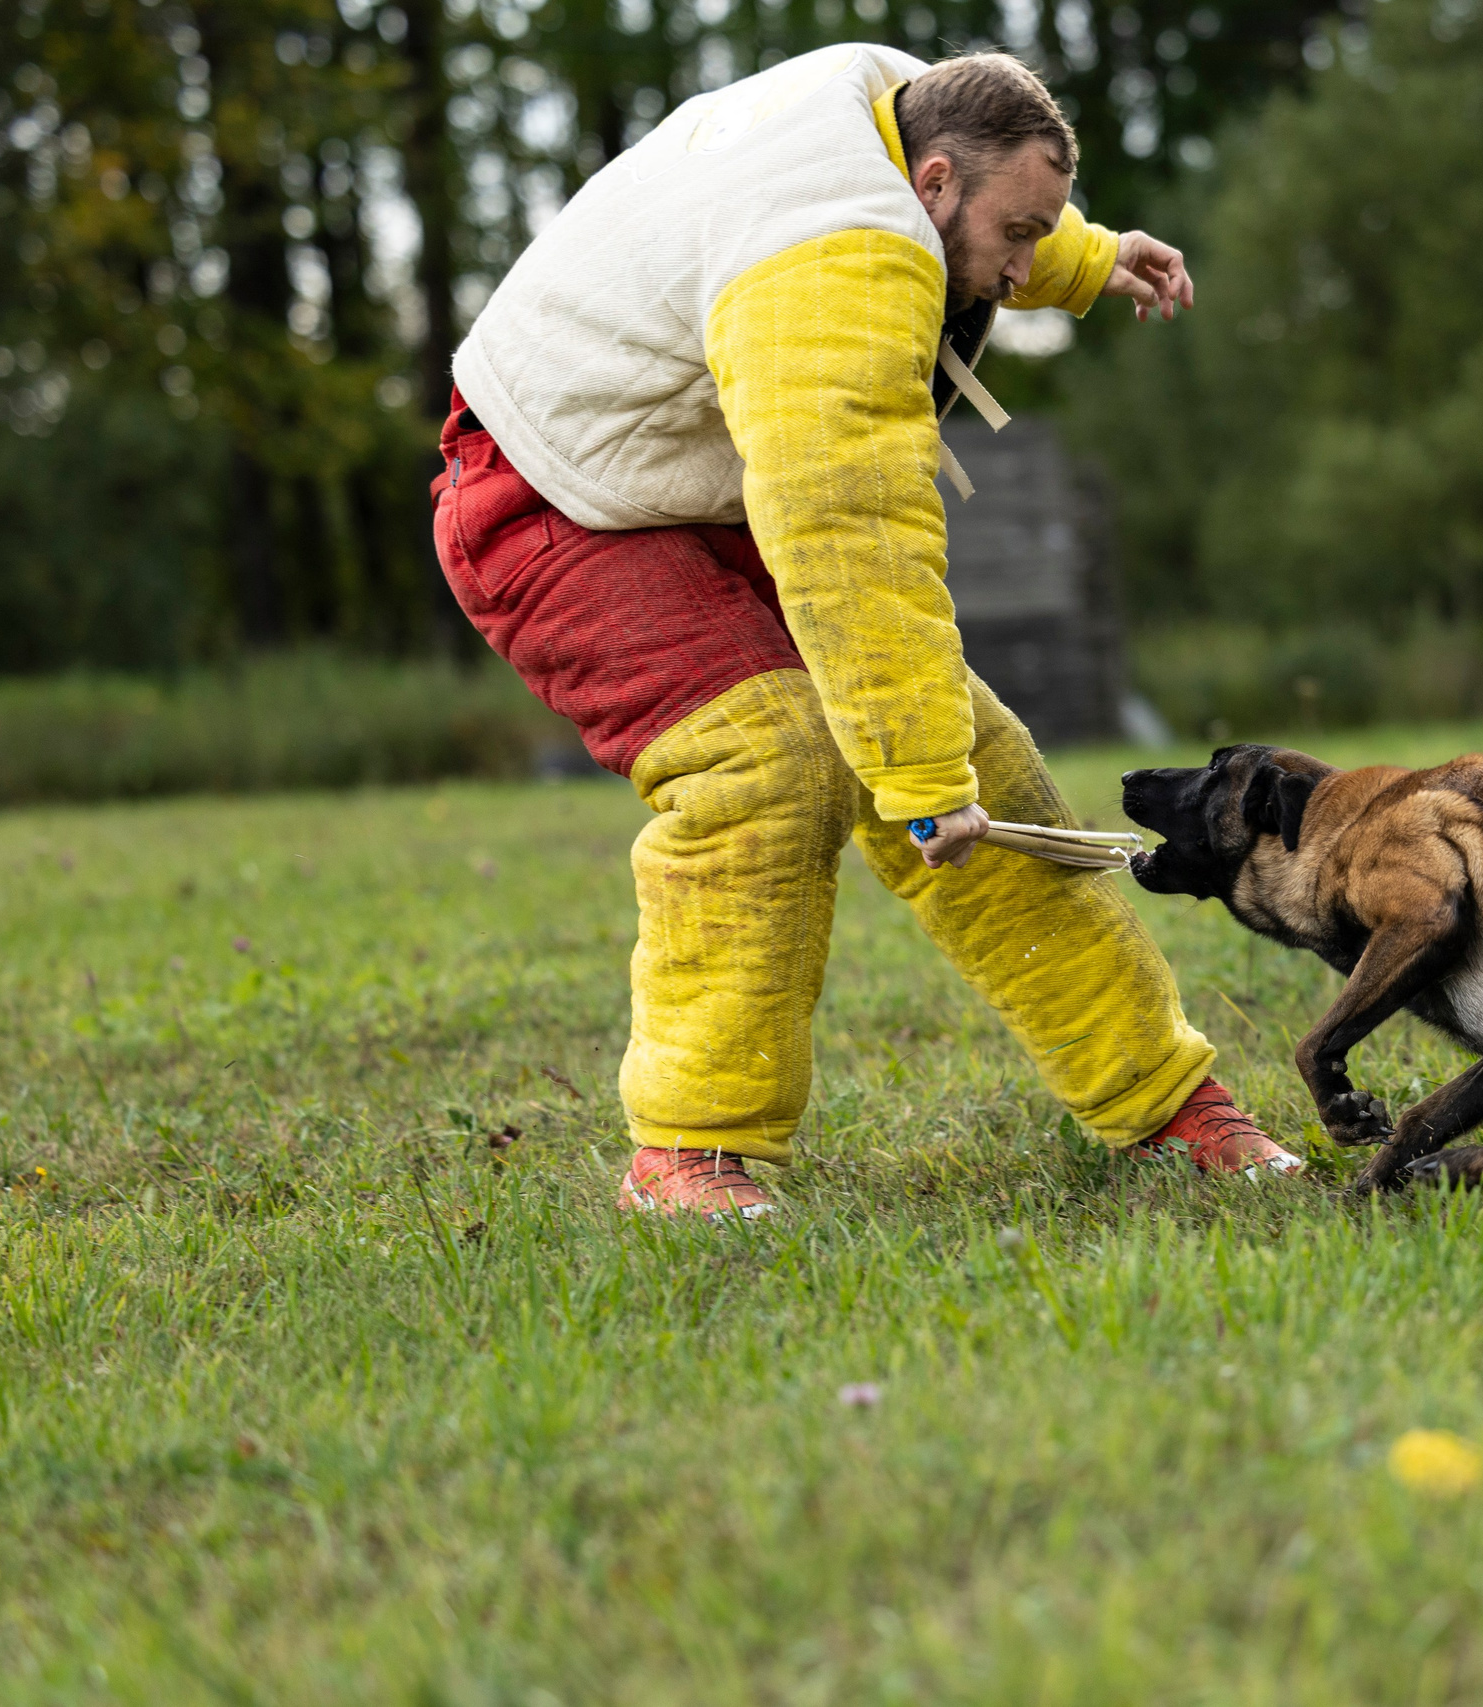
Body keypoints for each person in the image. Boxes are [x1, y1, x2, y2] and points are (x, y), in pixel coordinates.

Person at [432, 44, 1300, 1217]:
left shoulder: (902, 105)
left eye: (1039, 234)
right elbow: (853, 535)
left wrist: (1088, 258)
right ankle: (685, 1154)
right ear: (929, 184)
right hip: (546, 496)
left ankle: (1163, 1103)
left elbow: (983, 196)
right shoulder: (839, 257)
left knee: (985, 760)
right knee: (772, 760)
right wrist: (920, 783)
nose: (1020, 263)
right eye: (1021, 237)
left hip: (693, 488)